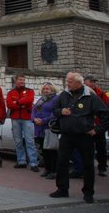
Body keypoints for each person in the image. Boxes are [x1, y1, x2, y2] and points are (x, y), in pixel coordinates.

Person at [49, 72, 109, 203]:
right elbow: (54, 110)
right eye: (67, 81)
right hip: (66, 135)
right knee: (62, 162)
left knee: (88, 164)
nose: (67, 84)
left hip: (85, 136)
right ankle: (62, 189)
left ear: (78, 83)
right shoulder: (63, 95)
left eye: (70, 81)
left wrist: (97, 130)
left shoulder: (90, 96)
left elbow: (105, 114)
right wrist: (61, 112)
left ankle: (88, 193)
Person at [6, 74, 38, 171]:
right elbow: (9, 104)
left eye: (23, 80)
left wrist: (17, 102)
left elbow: (29, 100)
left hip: (27, 119)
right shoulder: (11, 92)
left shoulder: (30, 91)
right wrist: (21, 104)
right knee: (18, 141)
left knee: (30, 141)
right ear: (16, 81)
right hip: (15, 119)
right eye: (20, 80)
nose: (22, 81)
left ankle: (33, 163)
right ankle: (21, 161)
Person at [32, 82, 59, 179]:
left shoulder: (55, 99)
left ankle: (54, 171)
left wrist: (43, 120)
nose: (45, 90)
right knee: (44, 151)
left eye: (47, 89)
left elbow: (55, 113)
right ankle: (47, 169)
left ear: (52, 90)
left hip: (49, 128)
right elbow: (34, 110)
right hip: (39, 129)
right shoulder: (41, 99)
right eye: (44, 89)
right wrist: (34, 119)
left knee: (51, 151)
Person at [84, 75, 109, 177]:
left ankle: (102, 167)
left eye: (94, 81)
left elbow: (106, 109)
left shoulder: (101, 94)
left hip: (98, 125)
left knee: (101, 148)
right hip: (86, 125)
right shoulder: (82, 93)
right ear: (85, 82)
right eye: (91, 81)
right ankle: (87, 167)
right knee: (86, 148)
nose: (93, 83)